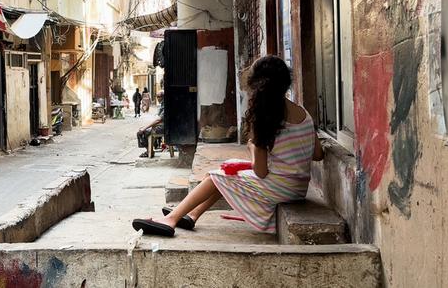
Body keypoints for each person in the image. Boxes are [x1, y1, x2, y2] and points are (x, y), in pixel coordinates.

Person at [132, 55, 324, 236]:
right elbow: (317, 154)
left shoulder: (265, 118)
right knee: (225, 172)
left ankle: (170, 219)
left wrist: (251, 147)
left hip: (281, 189)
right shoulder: (304, 114)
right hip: (298, 189)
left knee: (215, 178)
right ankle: (191, 215)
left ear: (257, 86)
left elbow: (261, 172)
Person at [136, 91, 164, 157]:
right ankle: (149, 150)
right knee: (143, 130)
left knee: (141, 133)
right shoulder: (162, 105)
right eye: (157, 97)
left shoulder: (165, 106)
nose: (158, 98)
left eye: (159, 97)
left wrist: (145, 128)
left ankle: (149, 151)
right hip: (160, 126)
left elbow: (158, 120)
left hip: (162, 127)